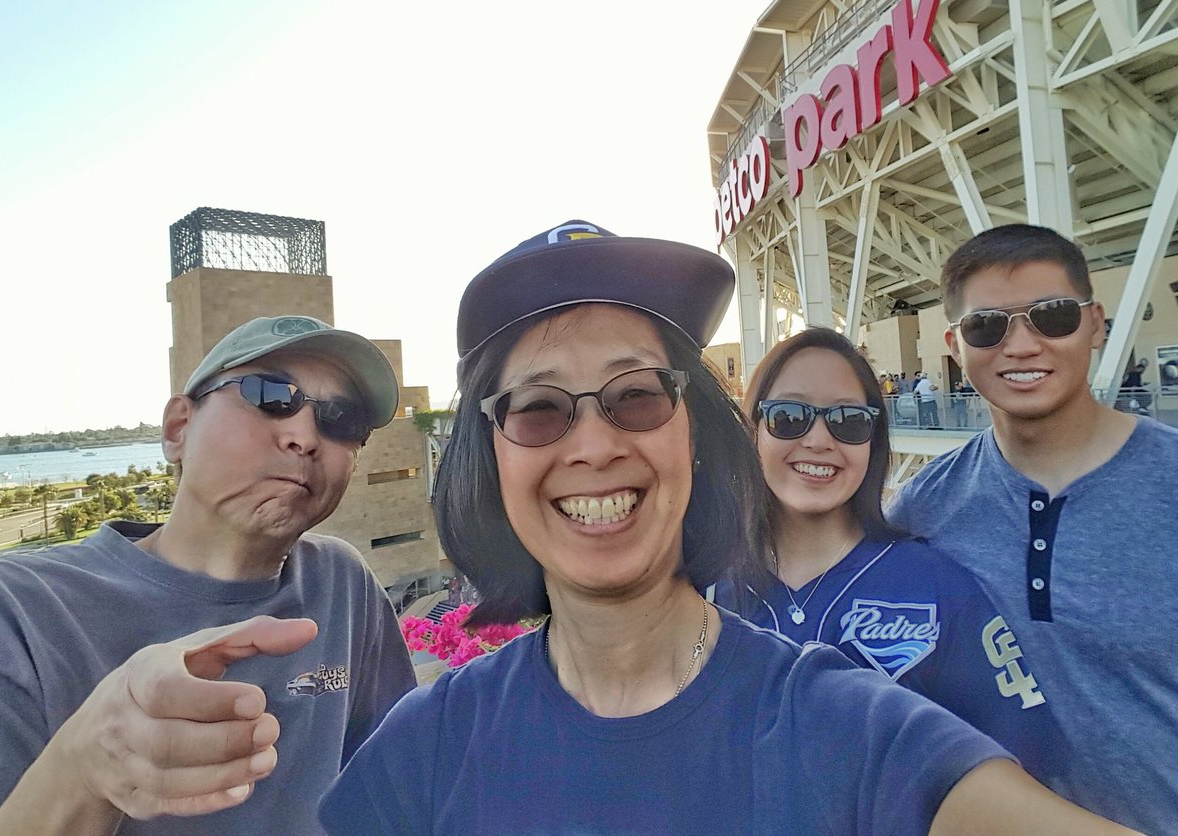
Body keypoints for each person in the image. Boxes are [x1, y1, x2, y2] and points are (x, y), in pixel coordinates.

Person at [320, 220, 1131, 834]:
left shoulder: (848, 725)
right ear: (487, 466)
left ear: (698, 439)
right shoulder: (426, 748)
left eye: (636, 394)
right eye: (538, 410)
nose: (596, 445)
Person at [0, 315, 417, 834]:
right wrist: (85, 766)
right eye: (270, 394)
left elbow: (392, 779)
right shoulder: (8, 609)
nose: (304, 436)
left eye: (340, 419)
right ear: (178, 428)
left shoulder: (343, 581)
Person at [887, 223, 1178, 834]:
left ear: (1095, 323)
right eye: (987, 326)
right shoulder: (923, 509)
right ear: (954, 344)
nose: (1020, 346)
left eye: (1051, 316)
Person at [715, 328, 1063, 782]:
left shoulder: (938, 590)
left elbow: (1028, 763)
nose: (819, 440)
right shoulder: (701, 586)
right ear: (753, 430)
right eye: (788, 416)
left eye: (849, 421)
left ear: (873, 440)